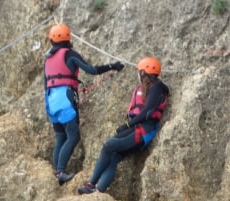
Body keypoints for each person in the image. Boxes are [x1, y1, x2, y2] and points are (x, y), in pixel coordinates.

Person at [44, 23, 125, 185]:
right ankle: (60, 172)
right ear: (68, 37)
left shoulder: (47, 59)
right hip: (65, 100)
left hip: (50, 100)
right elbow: (92, 70)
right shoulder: (70, 54)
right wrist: (113, 66)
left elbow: (45, 83)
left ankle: (56, 171)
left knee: (61, 137)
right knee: (73, 137)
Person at [78, 57, 169, 194]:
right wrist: (129, 125)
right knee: (113, 157)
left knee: (109, 145)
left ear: (144, 73)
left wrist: (127, 124)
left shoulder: (157, 88)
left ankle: (91, 185)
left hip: (143, 130)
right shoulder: (150, 87)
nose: (138, 74)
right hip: (137, 128)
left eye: (139, 71)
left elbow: (147, 113)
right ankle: (98, 191)